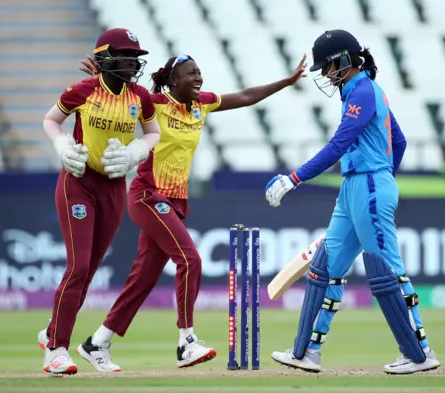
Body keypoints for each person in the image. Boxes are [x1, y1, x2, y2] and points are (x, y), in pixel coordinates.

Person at [74, 52, 307, 370]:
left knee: (143, 280)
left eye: (199, 73)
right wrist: (98, 78)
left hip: (175, 202)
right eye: (191, 74)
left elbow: (245, 96)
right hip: (148, 195)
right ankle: (186, 342)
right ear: (173, 81)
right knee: (190, 260)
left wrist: (287, 81)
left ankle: (96, 342)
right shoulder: (154, 103)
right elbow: (118, 94)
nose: (198, 78)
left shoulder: (203, 104)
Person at [265, 29, 441, 375]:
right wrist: (381, 175)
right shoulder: (362, 92)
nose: (326, 75)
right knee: (325, 268)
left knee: (385, 269)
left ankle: (420, 353)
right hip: (355, 188)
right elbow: (399, 141)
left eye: (329, 66)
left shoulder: (362, 89)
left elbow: (338, 144)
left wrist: (293, 179)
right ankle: (305, 352)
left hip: (369, 187)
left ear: (345, 60)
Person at [36, 27, 161, 377]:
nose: (133, 62)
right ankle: (56, 350)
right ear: (105, 57)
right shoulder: (83, 91)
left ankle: (50, 332)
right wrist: (62, 147)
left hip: (113, 187)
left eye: (136, 57)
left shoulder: (140, 97)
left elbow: (153, 133)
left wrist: (136, 152)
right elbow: (51, 120)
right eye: (125, 55)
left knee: (88, 271)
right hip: (78, 182)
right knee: (78, 268)